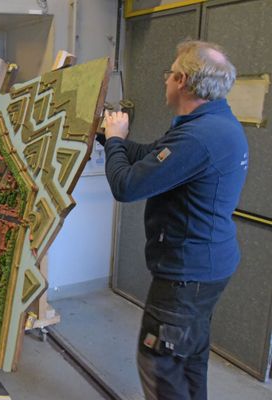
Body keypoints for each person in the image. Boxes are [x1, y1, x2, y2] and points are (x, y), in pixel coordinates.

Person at [103, 40, 248, 400]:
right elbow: (154, 157)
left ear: (182, 80)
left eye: (169, 73)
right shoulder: (211, 123)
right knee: (188, 357)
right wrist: (108, 138)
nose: (165, 79)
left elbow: (126, 185)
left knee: (160, 360)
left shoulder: (199, 138)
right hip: (207, 267)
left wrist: (115, 143)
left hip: (187, 275)